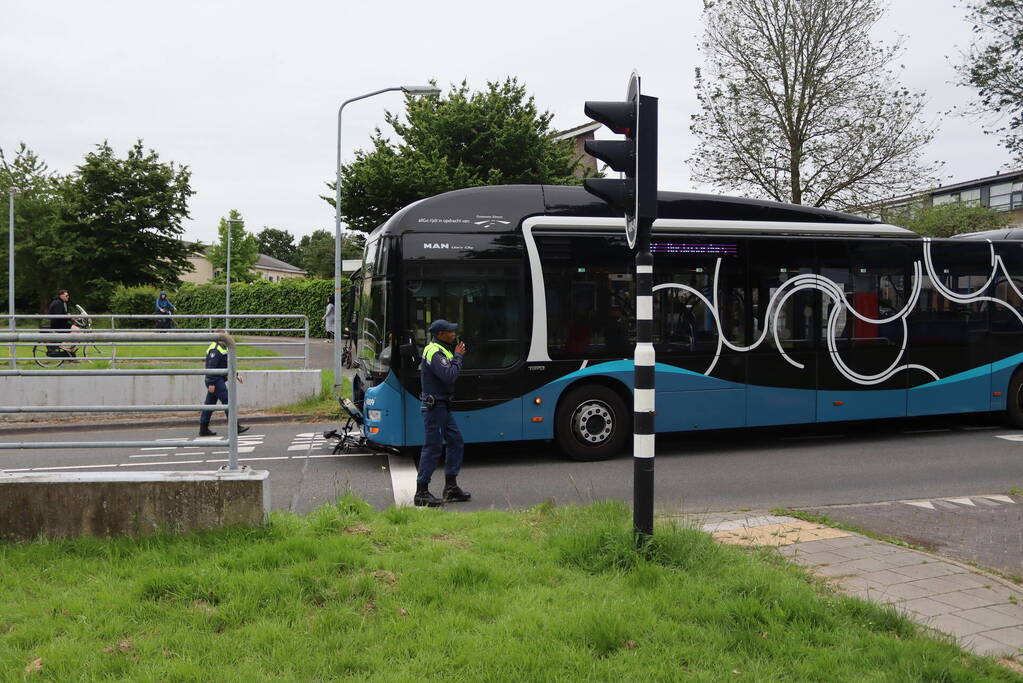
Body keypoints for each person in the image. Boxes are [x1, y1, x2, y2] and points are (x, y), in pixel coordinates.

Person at [414, 319, 470, 507]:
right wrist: (459, 356)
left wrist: (455, 356)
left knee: (456, 441)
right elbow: (449, 375)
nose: (454, 334)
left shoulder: (442, 349)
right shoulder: (434, 351)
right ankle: (421, 492)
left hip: (442, 406)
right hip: (434, 407)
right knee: (433, 447)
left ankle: (451, 488)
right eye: (450, 331)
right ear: (440, 334)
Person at [198, 332, 250, 437]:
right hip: (215, 379)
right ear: (221, 338)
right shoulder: (215, 349)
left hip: (216, 379)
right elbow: (211, 367)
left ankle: (203, 428)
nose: (229, 337)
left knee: (209, 404)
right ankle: (235, 427)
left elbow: (226, 363)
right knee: (228, 401)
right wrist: (212, 383)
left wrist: (236, 374)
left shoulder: (222, 347)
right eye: (226, 336)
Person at [46, 289, 73, 357]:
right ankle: (63, 345)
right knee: (76, 330)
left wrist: (71, 317)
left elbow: (63, 314)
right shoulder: (58, 303)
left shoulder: (60, 302)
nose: (68, 297)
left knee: (76, 329)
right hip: (58, 325)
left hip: (61, 324)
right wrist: (70, 317)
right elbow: (59, 316)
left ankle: (69, 351)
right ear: (61, 296)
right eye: (66, 295)